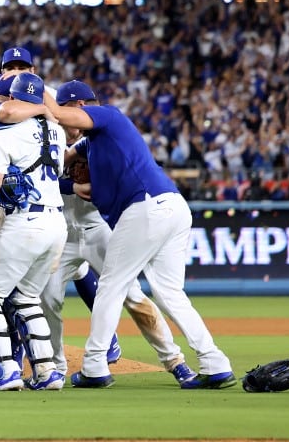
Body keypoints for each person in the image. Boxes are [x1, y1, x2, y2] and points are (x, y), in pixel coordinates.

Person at [49, 79, 236, 389]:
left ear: (80, 106)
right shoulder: (92, 142)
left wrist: (44, 103)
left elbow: (66, 118)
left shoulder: (107, 115)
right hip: (171, 207)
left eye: (68, 110)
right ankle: (215, 362)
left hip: (145, 208)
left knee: (110, 286)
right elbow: (64, 159)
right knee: (171, 294)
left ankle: (95, 366)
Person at [41, 114, 188, 381]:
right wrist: (71, 185)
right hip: (64, 233)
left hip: (99, 230)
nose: (70, 126)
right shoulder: (49, 143)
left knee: (134, 296)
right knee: (47, 299)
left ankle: (175, 360)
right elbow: (41, 181)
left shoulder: (100, 142)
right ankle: (56, 368)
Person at [0, 72, 68, 392]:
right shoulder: (57, 131)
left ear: (11, 98)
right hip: (57, 224)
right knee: (26, 296)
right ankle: (47, 370)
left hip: (26, 222)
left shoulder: (5, 132)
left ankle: (7, 371)